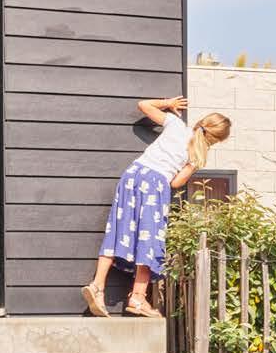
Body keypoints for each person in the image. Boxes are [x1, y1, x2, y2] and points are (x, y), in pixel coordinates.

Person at [82, 97, 232, 318]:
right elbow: (175, 183)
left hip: (133, 174)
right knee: (150, 239)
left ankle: (97, 286)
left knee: (118, 230)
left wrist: (168, 103)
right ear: (216, 139)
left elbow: (144, 105)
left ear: (202, 122)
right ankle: (138, 297)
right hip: (155, 184)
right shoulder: (198, 154)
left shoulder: (176, 124)